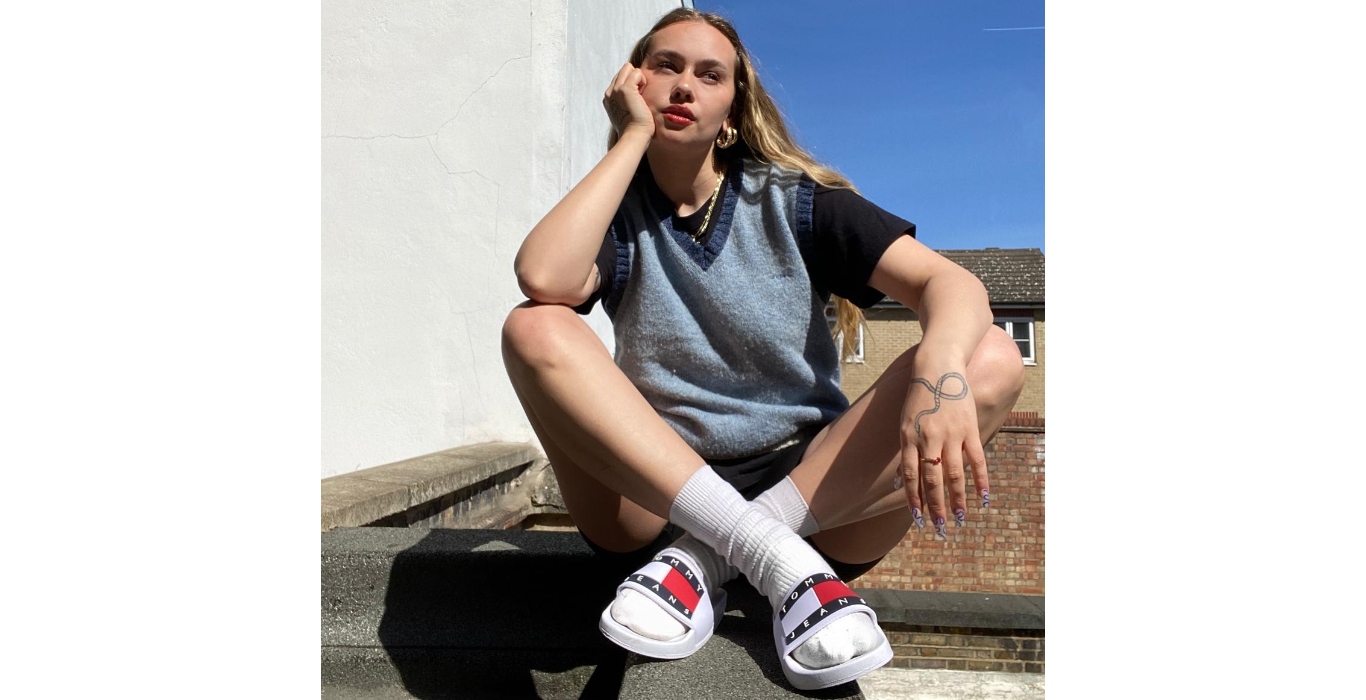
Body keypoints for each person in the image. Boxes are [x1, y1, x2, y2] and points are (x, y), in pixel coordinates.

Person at [502, 8, 1024, 690]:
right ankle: (767, 558)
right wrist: (631, 138)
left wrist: (937, 366)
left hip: (814, 495)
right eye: (665, 66)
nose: (683, 86)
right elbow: (543, 277)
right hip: (659, 496)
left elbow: (950, 284)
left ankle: (713, 558)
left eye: (709, 75)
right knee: (533, 327)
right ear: (632, 82)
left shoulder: (795, 201)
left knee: (992, 356)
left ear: (732, 110)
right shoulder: (617, 215)